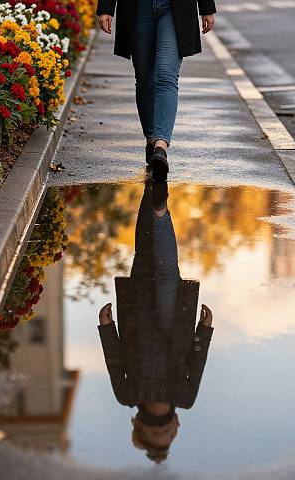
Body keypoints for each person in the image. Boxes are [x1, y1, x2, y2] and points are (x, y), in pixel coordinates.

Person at [97, 181, 214, 463]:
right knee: (165, 270)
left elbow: (114, 361)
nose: (162, 429)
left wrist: (107, 328)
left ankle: (153, 189)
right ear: (176, 427)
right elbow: (196, 363)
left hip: (137, 319)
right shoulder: (184, 398)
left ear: (140, 426)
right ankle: (160, 209)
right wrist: (204, 331)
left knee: (144, 255)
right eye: (168, 435)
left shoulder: (127, 395)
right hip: (174, 323)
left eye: (154, 433)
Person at [96, 0, 217, 181]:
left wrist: (207, 7)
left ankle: (161, 145)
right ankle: (151, 140)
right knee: (144, 80)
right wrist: (106, 7)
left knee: (166, 75)